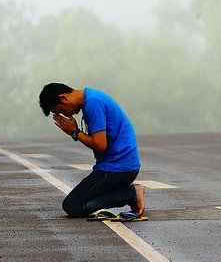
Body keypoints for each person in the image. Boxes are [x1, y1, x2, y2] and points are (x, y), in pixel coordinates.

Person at [38, 83, 146, 220]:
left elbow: (100, 145)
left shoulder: (93, 104)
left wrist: (75, 132)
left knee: (72, 206)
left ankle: (131, 193)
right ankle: (128, 193)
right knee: (79, 201)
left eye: (60, 111)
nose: (65, 115)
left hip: (118, 169)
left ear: (63, 98)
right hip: (118, 167)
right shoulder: (91, 98)